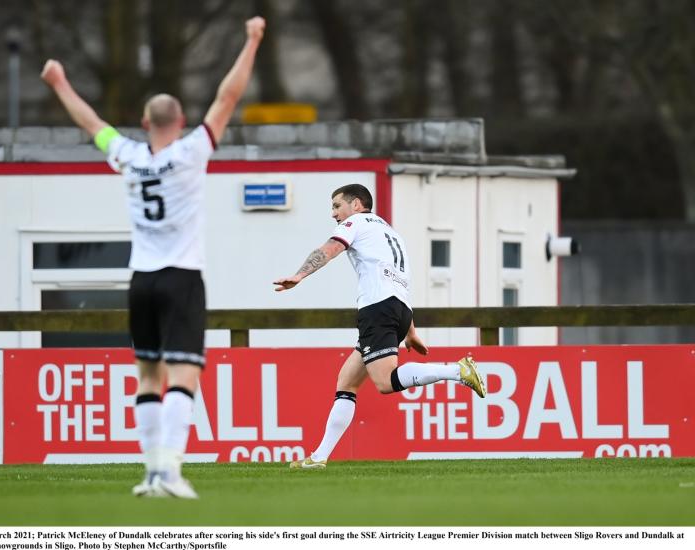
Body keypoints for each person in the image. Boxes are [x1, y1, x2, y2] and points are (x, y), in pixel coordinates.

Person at [41, 16, 266, 498]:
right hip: (182, 276)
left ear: (145, 123)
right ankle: (168, 471)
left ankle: (148, 472)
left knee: (147, 374)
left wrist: (60, 82)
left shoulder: (128, 155)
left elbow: (92, 124)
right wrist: (251, 41)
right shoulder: (192, 151)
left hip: (140, 277)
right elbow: (227, 97)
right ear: (181, 122)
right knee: (184, 374)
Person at [274, 183, 486, 469]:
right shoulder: (390, 233)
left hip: (376, 309)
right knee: (346, 382)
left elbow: (332, 248)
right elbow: (399, 286)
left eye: (337, 206)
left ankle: (457, 371)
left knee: (385, 383)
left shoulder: (356, 223)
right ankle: (319, 457)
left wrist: (300, 275)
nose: (334, 214)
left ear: (357, 204)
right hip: (398, 310)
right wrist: (410, 332)